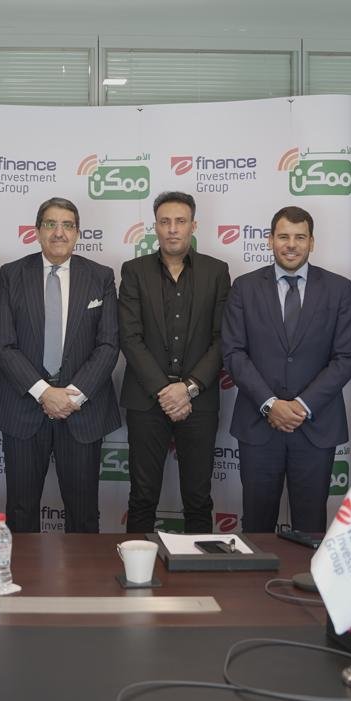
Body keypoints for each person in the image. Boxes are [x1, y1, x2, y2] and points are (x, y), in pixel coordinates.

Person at [222, 206, 351, 533]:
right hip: (259, 424)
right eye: (283, 236)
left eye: (300, 237)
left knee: (311, 526)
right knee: (257, 525)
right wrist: (270, 404)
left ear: (312, 242)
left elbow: (346, 356)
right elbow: (234, 352)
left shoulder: (339, 288)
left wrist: (301, 406)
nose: (291, 244)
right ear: (270, 240)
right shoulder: (245, 287)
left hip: (315, 425)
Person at [0, 198, 120, 533]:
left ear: (77, 233)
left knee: (84, 513)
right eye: (50, 224)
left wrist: (71, 396)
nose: (59, 233)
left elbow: (108, 345)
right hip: (23, 408)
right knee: (20, 511)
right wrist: (45, 393)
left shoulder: (101, 277)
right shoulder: (11, 275)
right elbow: (3, 344)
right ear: (37, 231)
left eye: (67, 225)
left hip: (82, 411)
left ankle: (83, 572)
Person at [118, 191, 230, 533]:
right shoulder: (134, 271)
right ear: (155, 227)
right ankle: (138, 564)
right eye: (164, 221)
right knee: (142, 497)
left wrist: (188, 388)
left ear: (193, 226)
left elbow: (222, 339)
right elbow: (129, 337)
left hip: (199, 401)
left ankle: (197, 565)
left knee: (198, 499)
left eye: (180, 221)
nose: (172, 229)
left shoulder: (216, 271)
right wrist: (165, 391)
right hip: (146, 399)